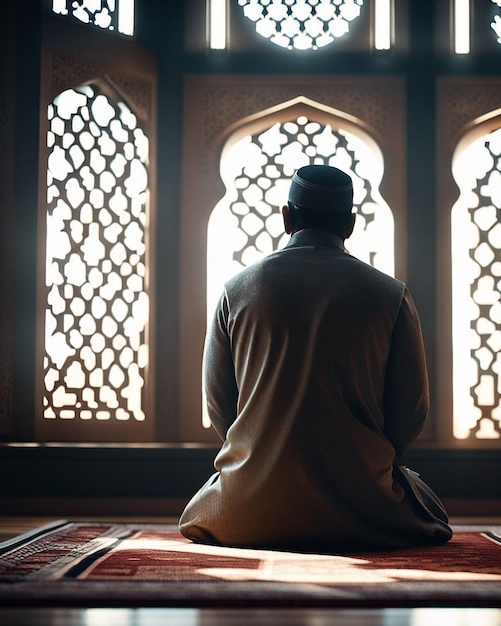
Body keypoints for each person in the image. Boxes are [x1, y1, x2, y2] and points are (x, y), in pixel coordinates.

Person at [179, 164, 452, 551]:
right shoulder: (390, 295)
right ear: (351, 224)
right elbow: (412, 411)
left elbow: (219, 407)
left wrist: (264, 450)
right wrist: (367, 461)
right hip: (364, 504)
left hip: (248, 507)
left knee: (207, 504)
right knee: (427, 505)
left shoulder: (236, 290)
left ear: (286, 217)